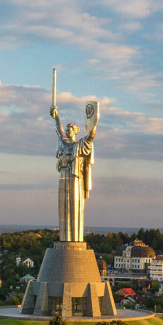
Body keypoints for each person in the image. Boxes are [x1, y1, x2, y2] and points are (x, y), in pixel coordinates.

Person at [50, 103, 97, 242]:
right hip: (63, 176)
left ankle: (75, 239)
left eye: (70, 129)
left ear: (75, 131)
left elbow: (91, 137)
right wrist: (56, 115)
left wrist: (93, 123)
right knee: (63, 206)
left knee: (74, 205)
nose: (68, 130)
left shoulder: (80, 145)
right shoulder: (63, 143)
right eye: (67, 129)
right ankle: (64, 239)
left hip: (74, 178)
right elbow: (59, 130)